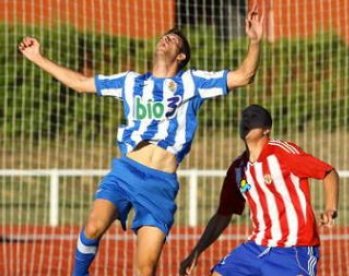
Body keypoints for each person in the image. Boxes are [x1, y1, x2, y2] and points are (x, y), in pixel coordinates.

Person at [18, 3, 264, 276]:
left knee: (145, 268)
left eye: (174, 39)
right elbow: (79, 83)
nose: (166, 38)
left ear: (181, 55)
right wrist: (37, 57)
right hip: (126, 172)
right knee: (92, 227)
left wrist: (254, 41)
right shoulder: (130, 82)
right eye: (164, 36)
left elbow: (244, 76)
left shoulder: (192, 83)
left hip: (160, 184)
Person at [180, 104, 340, 276]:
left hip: (294, 249)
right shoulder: (238, 168)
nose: (247, 119)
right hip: (256, 247)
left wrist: (330, 208)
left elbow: (328, 172)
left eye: (253, 116)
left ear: (266, 129)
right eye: (244, 116)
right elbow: (223, 215)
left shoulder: (282, 153)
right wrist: (197, 251)